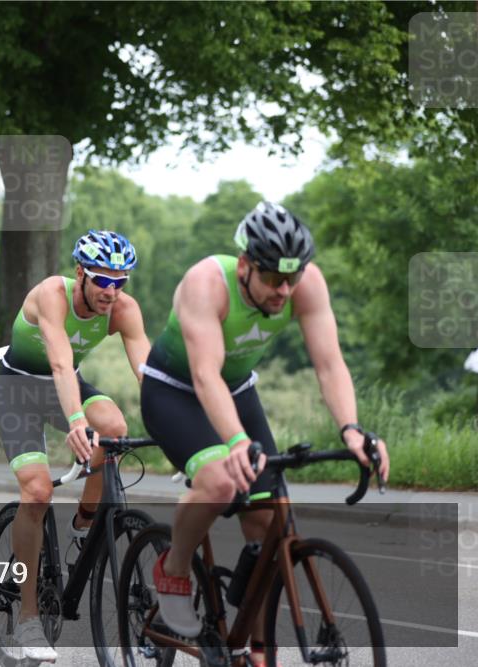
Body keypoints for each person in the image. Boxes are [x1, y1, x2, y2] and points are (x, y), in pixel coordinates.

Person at [139, 202, 390, 665]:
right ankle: (173, 568)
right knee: (220, 482)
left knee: (268, 518)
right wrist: (236, 442)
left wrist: (352, 430)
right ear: (245, 266)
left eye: (293, 278)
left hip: (237, 390)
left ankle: (252, 647)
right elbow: (205, 375)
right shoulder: (205, 283)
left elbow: (329, 363)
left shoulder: (305, 285)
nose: (285, 291)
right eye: (274, 278)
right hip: (175, 391)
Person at [0, 230, 151, 662]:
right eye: (102, 280)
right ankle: (28, 619)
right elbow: (60, 362)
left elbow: (148, 374)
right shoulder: (51, 294)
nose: (111, 291)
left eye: (120, 282)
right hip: (20, 391)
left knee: (114, 426)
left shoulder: (124, 309)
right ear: (80, 273)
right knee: (37, 492)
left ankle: (84, 526)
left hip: (68, 387)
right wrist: (76, 421)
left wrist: (174, 422)